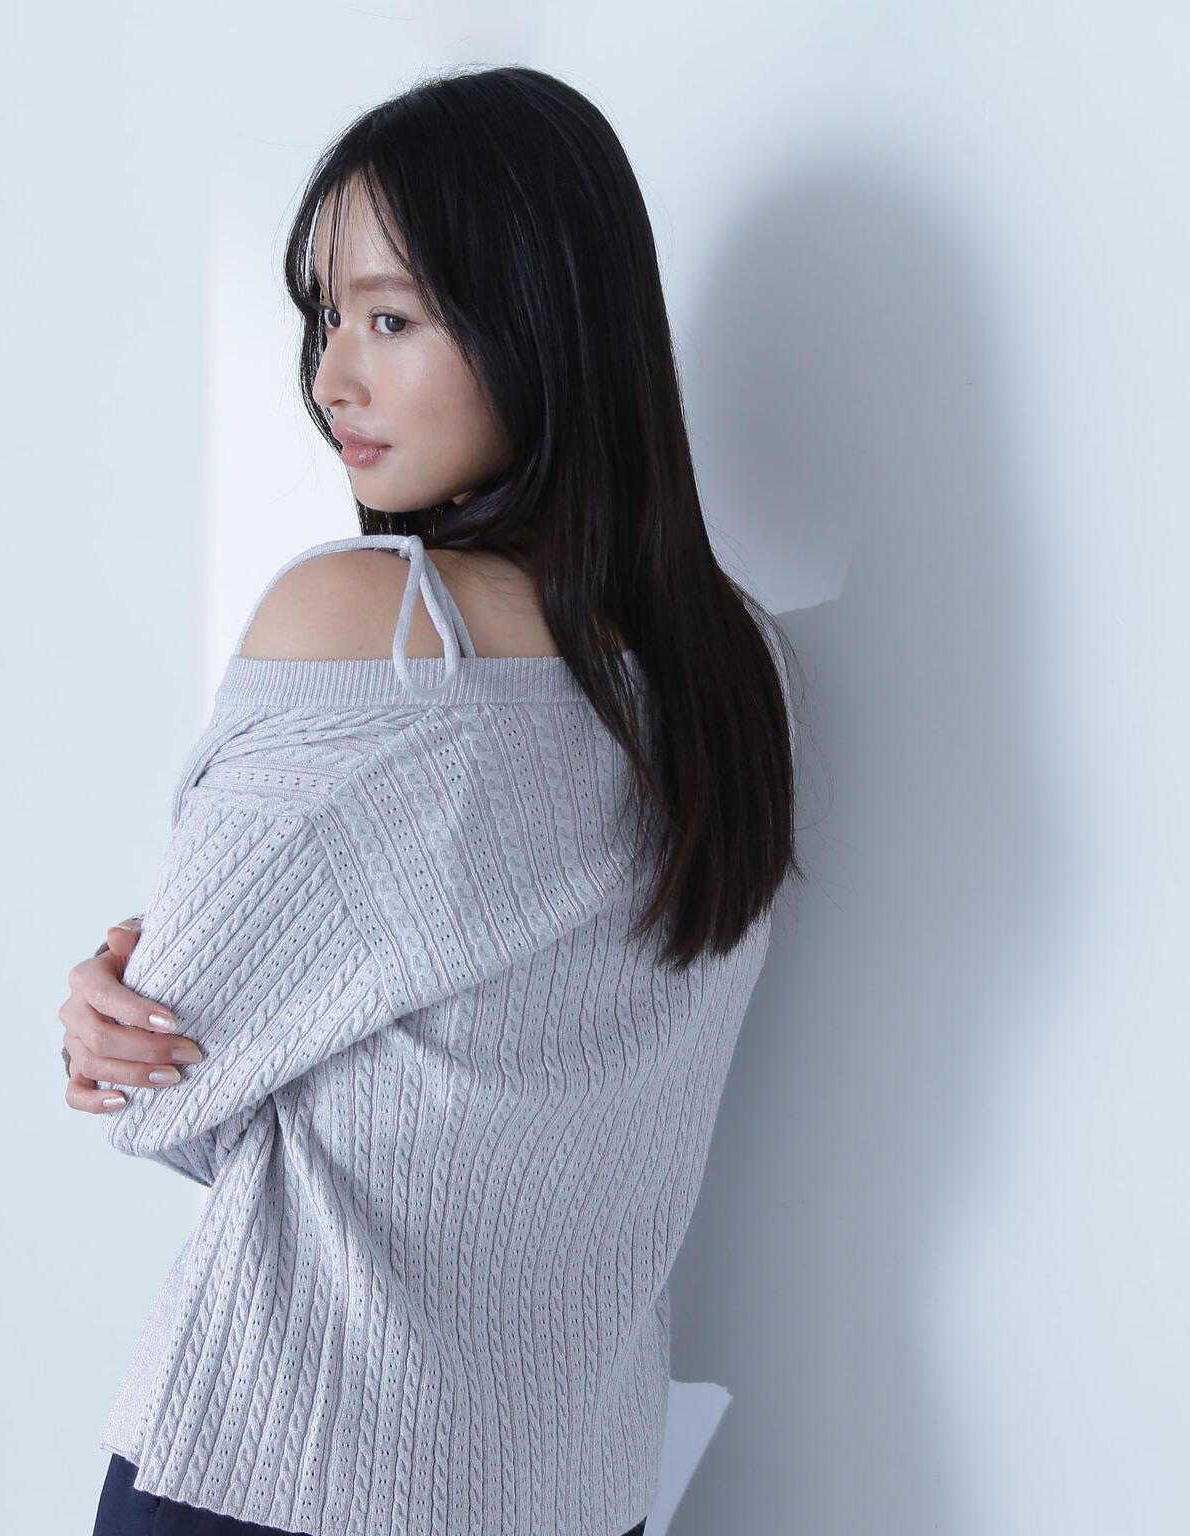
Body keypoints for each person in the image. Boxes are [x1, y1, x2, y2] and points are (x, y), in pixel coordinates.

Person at [59, 63, 802, 1536]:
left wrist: (126, 997)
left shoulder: (370, 627)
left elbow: (162, 1093)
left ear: (543, 321)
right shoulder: (732, 673)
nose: (333, 378)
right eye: (325, 317)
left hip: (284, 1466)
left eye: (391, 319)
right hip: (572, 1486)